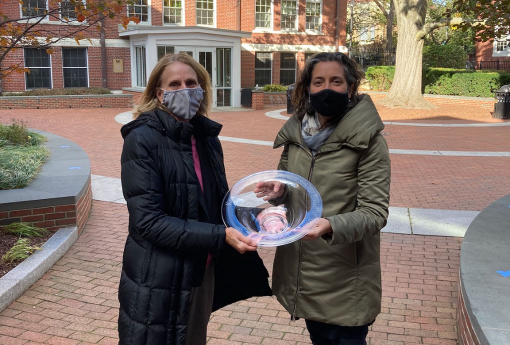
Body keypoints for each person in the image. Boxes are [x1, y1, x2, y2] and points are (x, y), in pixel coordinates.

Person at [118, 53, 271, 345]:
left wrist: (254, 218)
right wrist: (220, 235)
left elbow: (215, 205)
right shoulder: (143, 139)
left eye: (191, 82)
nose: (185, 89)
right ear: (159, 94)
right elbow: (148, 222)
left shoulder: (205, 137)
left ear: (202, 89)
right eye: (174, 84)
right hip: (160, 275)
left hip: (202, 268)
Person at [255, 52, 391, 345]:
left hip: (344, 279)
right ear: (308, 89)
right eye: (318, 82)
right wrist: (279, 194)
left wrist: (329, 224)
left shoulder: (369, 142)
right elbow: (289, 188)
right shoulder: (296, 137)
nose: (327, 89)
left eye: (336, 81)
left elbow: (375, 213)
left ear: (350, 88)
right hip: (303, 274)